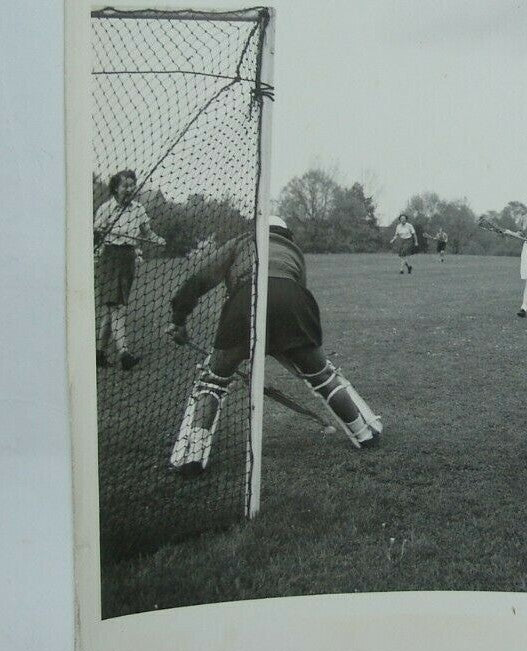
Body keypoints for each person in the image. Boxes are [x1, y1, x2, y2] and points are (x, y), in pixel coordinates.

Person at [166, 215, 381, 476]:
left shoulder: (242, 241)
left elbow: (200, 279)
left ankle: (194, 455)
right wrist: (283, 345)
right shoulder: (294, 251)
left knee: (213, 381)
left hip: (245, 301)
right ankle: (364, 434)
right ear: (285, 233)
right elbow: (289, 298)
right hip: (293, 302)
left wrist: (178, 320)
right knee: (323, 377)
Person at [93, 169, 166, 370]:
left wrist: (158, 240)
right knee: (117, 307)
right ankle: (124, 354)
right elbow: (95, 233)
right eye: (125, 185)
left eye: (132, 185)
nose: (129, 189)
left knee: (112, 308)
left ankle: (99, 353)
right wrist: (100, 230)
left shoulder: (138, 209)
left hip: (128, 259)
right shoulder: (106, 209)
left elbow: (148, 233)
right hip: (110, 257)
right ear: (116, 188)